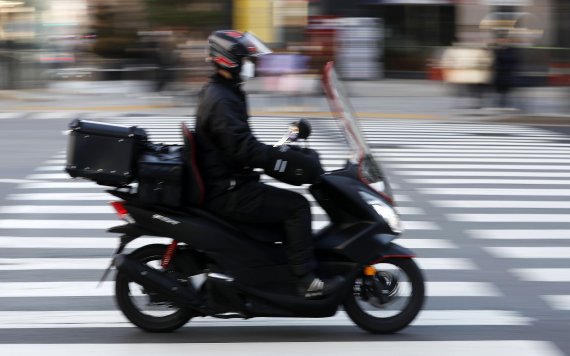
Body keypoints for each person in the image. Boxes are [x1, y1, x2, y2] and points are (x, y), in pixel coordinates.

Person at [193, 30, 342, 299]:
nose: (252, 65)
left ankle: (276, 274)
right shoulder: (222, 99)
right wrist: (277, 160)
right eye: (246, 59)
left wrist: (277, 152)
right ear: (229, 60)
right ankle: (305, 281)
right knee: (297, 208)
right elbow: (242, 149)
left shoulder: (224, 93)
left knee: (284, 211)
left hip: (230, 182)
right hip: (230, 191)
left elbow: (239, 143)